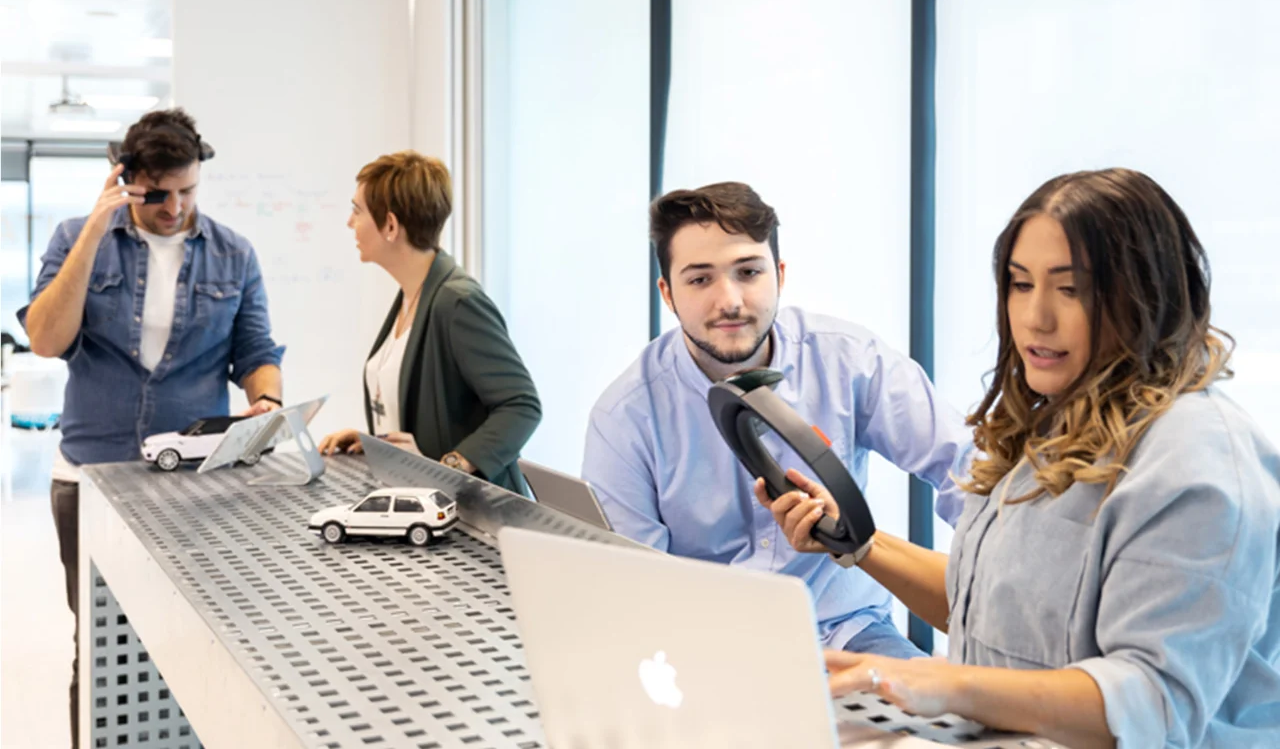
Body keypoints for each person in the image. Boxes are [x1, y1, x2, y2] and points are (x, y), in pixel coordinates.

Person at [762, 168, 1280, 748]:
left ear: (1146, 295)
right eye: (1019, 284)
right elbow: (984, 608)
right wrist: (857, 542)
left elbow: (1150, 703)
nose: (1036, 317)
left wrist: (939, 682)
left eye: (1072, 288)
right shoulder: (1058, 422)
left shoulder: (1199, 464)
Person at [582, 182, 970, 659]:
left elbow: (966, 466)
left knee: (941, 731)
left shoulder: (849, 360)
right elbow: (637, 588)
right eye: (699, 279)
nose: (730, 301)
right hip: (707, 649)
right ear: (667, 293)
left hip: (846, 630)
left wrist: (998, 587)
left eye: (748, 272)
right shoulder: (625, 417)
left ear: (780, 276)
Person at [16, 108, 286, 747]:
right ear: (126, 180)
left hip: (193, 480)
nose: (175, 207)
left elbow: (256, 353)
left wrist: (267, 402)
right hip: (91, 476)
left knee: (190, 640)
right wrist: (94, 230)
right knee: (102, 639)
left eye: (188, 191)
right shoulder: (77, 237)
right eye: (158, 194)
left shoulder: (233, 253)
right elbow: (48, 339)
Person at [317, 151, 541, 494]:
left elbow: (522, 406)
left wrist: (449, 466)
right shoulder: (413, 294)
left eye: (357, 211)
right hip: (418, 501)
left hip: (471, 516)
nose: (350, 222)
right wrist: (375, 441)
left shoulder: (458, 302)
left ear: (390, 226)